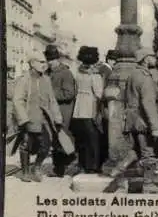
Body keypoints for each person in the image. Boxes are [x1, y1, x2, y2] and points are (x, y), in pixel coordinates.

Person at [12, 51, 63, 182]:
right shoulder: (24, 79)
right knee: (26, 144)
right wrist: (23, 119)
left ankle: (37, 166)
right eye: (41, 62)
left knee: (46, 145)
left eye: (45, 62)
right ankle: (25, 172)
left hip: (44, 120)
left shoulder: (46, 79)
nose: (44, 64)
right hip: (28, 118)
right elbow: (18, 100)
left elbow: (52, 100)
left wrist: (57, 117)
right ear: (32, 63)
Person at [122, 47, 158, 194]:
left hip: (132, 118)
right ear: (146, 59)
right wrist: (155, 126)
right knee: (149, 152)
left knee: (136, 150)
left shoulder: (133, 74)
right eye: (153, 56)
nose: (155, 59)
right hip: (143, 120)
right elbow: (148, 103)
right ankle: (148, 184)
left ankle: (119, 172)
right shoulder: (145, 77)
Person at [44, 45, 77, 177]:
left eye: (51, 60)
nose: (49, 63)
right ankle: (58, 169)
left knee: (62, 139)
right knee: (55, 140)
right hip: (52, 111)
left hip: (63, 111)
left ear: (57, 60)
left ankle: (65, 165)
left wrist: (51, 95)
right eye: (48, 60)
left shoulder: (65, 73)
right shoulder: (48, 73)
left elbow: (69, 94)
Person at [71, 46, 104, 174]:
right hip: (90, 106)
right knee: (93, 137)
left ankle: (82, 164)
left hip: (78, 107)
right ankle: (93, 165)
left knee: (81, 137)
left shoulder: (77, 73)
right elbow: (99, 93)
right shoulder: (95, 75)